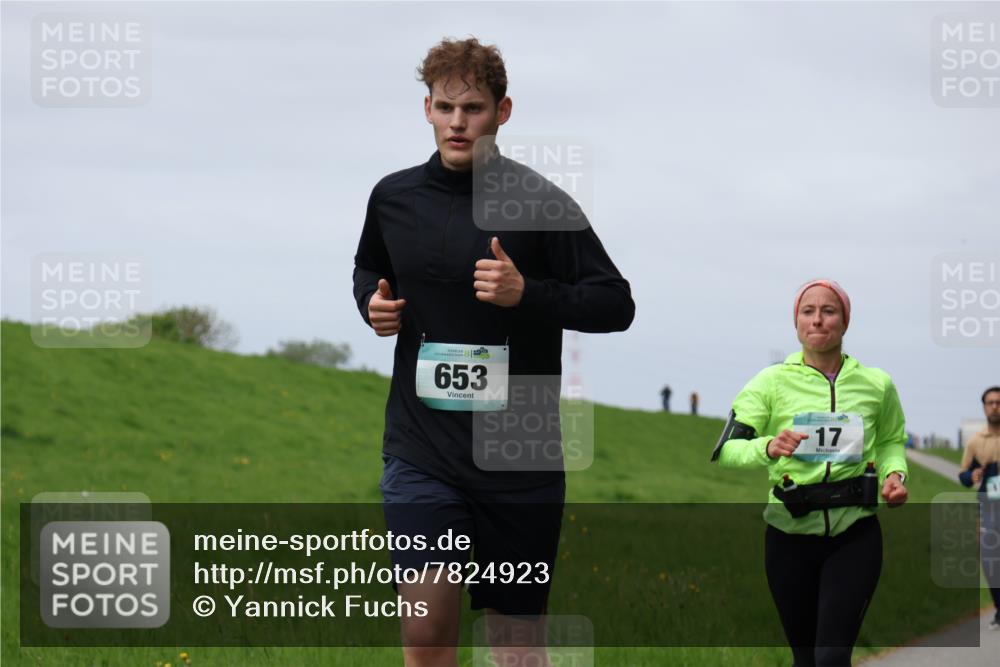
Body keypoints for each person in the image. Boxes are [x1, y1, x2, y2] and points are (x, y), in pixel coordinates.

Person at [352, 37, 635, 666]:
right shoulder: (393, 198)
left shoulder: (540, 203)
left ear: (502, 112)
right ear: (426, 108)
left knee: (516, 648)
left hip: (520, 458)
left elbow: (615, 303)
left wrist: (527, 293)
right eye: (446, 107)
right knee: (426, 629)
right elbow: (369, 265)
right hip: (421, 450)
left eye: (474, 108)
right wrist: (372, 305)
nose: (458, 123)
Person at [710, 279, 908, 667]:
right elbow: (727, 450)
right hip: (788, 535)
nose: (818, 320)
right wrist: (767, 447)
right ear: (796, 322)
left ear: (845, 322)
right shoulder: (770, 382)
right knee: (805, 658)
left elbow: (890, 441)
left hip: (856, 534)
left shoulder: (877, 384)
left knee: (831, 657)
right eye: (808, 311)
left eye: (828, 311)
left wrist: (895, 475)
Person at [957, 385, 1000, 630]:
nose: (995, 406)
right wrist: (972, 475)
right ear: (984, 407)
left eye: (999, 402)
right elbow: (962, 476)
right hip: (988, 507)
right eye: (990, 402)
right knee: (991, 561)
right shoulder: (975, 441)